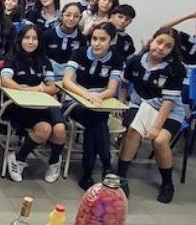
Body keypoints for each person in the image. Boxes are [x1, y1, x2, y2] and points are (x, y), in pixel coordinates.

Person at [117, 27, 186, 203]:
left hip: (168, 110)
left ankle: (167, 183)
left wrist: (156, 127)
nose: (161, 47)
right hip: (139, 105)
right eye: (159, 42)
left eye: (168, 46)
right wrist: (120, 105)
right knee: (133, 131)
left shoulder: (176, 69)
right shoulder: (135, 61)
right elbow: (124, 85)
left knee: (160, 141)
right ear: (152, 40)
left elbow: (168, 102)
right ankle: (121, 177)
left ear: (172, 50)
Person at [2, 25, 66, 183]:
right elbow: (5, 80)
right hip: (20, 104)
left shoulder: (44, 60)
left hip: (46, 103)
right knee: (44, 130)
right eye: (27, 38)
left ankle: (54, 161)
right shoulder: (12, 58)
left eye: (35, 38)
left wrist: (38, 90)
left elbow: (52, 87)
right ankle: (18, 158)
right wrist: (28, 91)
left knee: (59, 129)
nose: (31, 42)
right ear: (20, 39)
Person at [62, 22, 123, 190]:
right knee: (97, 122)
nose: (97, 43)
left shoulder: (117, 60)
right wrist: (87, 95)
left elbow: (111, 89)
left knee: (95, 122)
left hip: (98, 104)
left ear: (112, 41)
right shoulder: (80, 53)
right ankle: (106, 165)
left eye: (103, 39)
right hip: (76, 102)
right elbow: (67, 81)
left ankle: (88, 172)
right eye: (94, 38)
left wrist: (98, 96)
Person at [42, 1, 86, 80]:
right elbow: (41, 58)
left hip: (70, 78)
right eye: (68, 15)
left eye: (76, 16)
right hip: (48, 76)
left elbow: (81, 62)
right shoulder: (47, 34)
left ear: (80, 18)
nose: (71, 19)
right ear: (62, 16)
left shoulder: (82, 39)